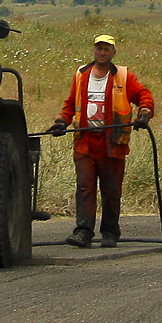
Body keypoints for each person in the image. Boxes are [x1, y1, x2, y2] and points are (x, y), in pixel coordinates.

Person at [46, 34, 154, 248]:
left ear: (113, 53)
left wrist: (144, 114)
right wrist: (62, 121)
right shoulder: (81, 75)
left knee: (111, 190)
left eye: (106, 49)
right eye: (99, 48)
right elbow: (70, 104)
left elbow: (144, 96)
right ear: (93, 51)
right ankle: (83, 232)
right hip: (85, 142)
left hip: (113, 144)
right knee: (85, 187)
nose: (102, 52)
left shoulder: (123, 77)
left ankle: (110, 233)